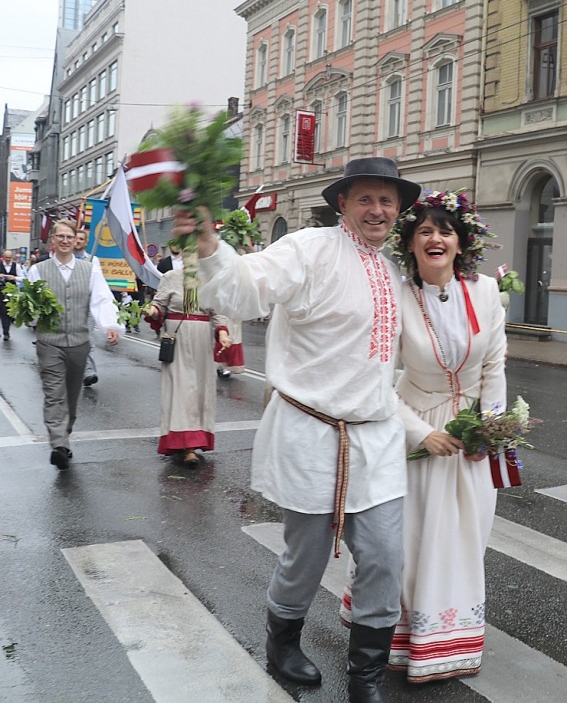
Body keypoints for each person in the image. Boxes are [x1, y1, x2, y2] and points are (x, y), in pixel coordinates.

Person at [172, 158, 422, 703]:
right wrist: (212, 248)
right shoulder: (308, 247)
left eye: (387, 200)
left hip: (375, 436)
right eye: (366, 199)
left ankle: (366, 676)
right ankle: (282, 640)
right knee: (305, 555)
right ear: (343, 205)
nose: (377, 210)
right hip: (311, 432)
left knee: (383, 555)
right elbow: (246, 292)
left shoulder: (395, 271)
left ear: (398, 209)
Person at [339, 190, 507, 684]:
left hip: (470, 438)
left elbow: (495, 365)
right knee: (412, 540)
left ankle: (450, 640)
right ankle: (401, 642)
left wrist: (491, 426)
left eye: (445, 231)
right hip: (416, 431)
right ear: (411, 244)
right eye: (425, 231)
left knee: (465, 535)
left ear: (461, 242)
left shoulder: (485, 294)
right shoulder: (394, 297)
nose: (436, 238)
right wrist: (423, 434)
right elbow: (376, 378)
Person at [28, 220, 124, 470]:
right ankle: (59, 445)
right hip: (49, 343)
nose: (64, 240)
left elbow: (102, 299)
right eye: (59, 236)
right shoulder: (38, 270)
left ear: (75, 240)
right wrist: (32, 315)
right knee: (53, 394)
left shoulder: (89, 269)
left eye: (68, 236)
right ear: (53, 241)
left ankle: (64, 434)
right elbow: (28, 301)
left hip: (79, 343)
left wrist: (110, 326)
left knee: (71, 397)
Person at [144, 267, 232, 466]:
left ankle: (192, 442)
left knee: (199, 389)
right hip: (177, 339)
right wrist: (152, 310)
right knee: (181, 390)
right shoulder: (170, 277)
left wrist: (223, 333)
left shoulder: (211, 277)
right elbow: (159, 305)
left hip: (201, 340)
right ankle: (185, 445)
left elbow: (218, 311)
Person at [73, 228, 100, 386]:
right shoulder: (66, 259)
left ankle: (89, 372)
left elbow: (96, 281)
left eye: (81, 239)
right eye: (75, 238)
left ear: (85, 242)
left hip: (87, 305)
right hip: (69, 304)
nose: (78, 242)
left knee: (88, 338)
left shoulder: (93, 260)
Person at [0, 250, 25, 340]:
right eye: (6, 258)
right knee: (2, 312)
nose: (8, 260)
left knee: (6, 312)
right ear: (3, 257)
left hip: (11, 293)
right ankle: (5, 332)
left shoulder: (16, 266)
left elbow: (22, 278)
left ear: (12, 258)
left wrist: (14, 278)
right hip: (0, 291)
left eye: (9, 258)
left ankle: (6, 332)